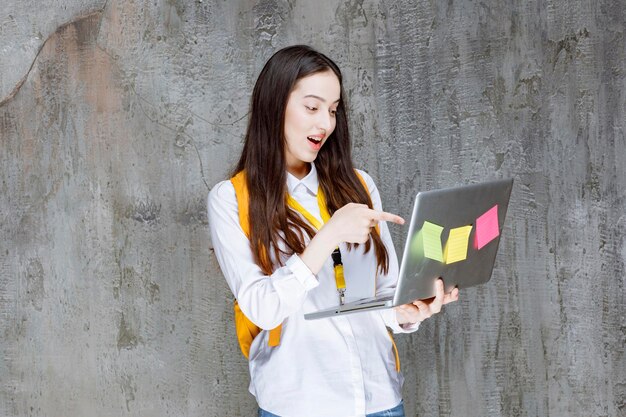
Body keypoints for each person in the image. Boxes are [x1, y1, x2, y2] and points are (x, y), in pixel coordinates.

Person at [207, 45, 459, 417]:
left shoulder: (359, 186)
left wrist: (409, 310)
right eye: (312, 107)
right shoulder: (231, 199)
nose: (325, 124)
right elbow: (262, 308)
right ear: (274, 107)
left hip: (380, 401)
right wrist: (329, 234)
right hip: (298, 405)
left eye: (333, 110)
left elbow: (384, 293)